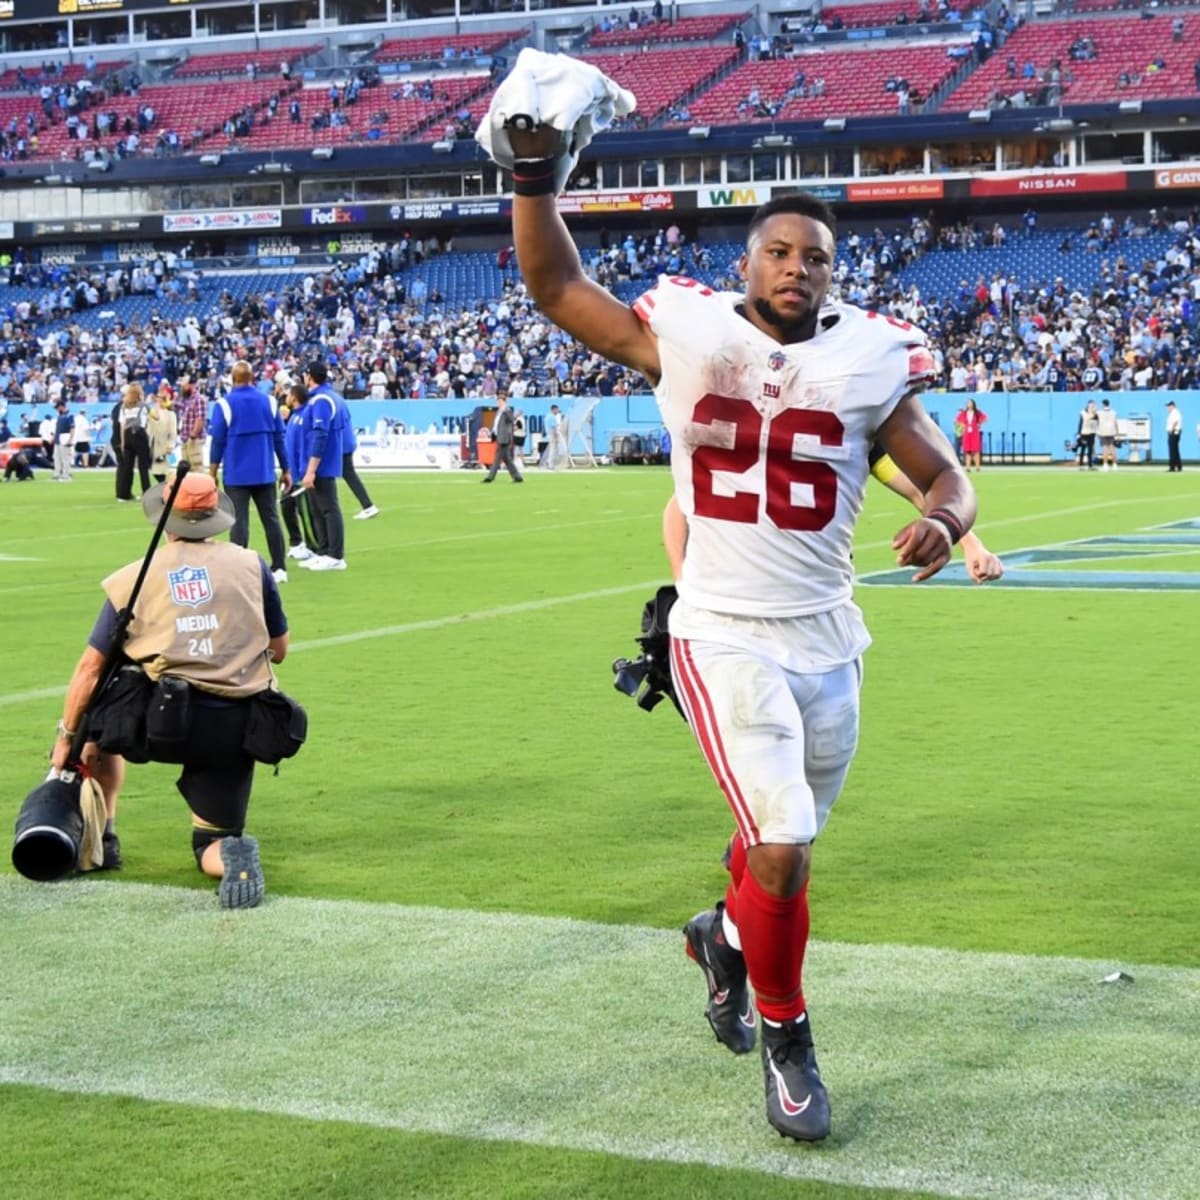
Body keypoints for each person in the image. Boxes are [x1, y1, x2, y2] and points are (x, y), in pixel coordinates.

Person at [496, 97, 975, 1143]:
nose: (798, 266)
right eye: (779, 251)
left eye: (816, 256)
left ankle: (720, 936)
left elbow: (946, 471)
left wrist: (946, 517)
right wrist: (536, 182)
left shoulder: (868, 358)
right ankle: (789, 1034)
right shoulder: (690, 332)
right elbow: (556, 286)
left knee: (776, 855)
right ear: (747, 263)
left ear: (833, 275)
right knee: (787, 843)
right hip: (719, 630)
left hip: (829, 636)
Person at [49, 472, 290, 908]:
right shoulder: (253, 565)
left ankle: (105, 833)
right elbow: (280, 649)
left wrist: (68, 737)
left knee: (100, 717)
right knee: (210, 842)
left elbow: (90, 668)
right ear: (215, 516)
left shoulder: (134, 578)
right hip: (233, 725)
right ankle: (230, 855)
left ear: (167, 519)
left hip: (157, 721)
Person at [208, 360, 292, 585]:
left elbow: (217, 441)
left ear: (233, 379)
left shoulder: (224, 405)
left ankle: (239, 570)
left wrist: (212, 471)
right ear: (252, 378)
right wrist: (286, 469)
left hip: (236, 475)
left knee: (238, 522)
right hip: (264, 472)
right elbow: (279, 439)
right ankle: (279, 567)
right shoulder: (270, 402)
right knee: (271, 520)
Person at [299, 360, 348, 570]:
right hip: (321, 461)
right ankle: (324, 549)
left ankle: (335, 555)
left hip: (322, 463)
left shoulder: (321, 400)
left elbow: (320, 434)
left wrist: (311, 468)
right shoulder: (325, 397)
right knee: (319, 508)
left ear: (310, 376)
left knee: (328, 507)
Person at [339, 401, 380, 521]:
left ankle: (368, 505)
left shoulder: (323, 401)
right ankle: (367, 505)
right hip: (346, 443)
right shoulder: (338, 401)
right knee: (349, 475)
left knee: (326, 477)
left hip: (340, 445)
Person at [114, 383, 152, 500]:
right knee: (143, 466)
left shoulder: (124, 406)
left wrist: (123, 442)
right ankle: (146, 492)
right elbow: (155, 417)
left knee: (127, 466)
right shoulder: (143, 405)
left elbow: (122, 425)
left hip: (127, 435)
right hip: (139, 433)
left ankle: (124, 494)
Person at [481, 392, 523, 483]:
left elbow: (511, 419)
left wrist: (505, 411)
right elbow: (496, 424)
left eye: (500, 401)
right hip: (499, 437)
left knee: (497, 458)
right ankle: (517, 477)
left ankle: (490, 477)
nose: (498, 403)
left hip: (504, 438)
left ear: (504, 401)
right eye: (498, 401)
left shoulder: (506, 410)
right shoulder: (499, 411)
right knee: (507, 459)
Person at [147, 386, 179, 484]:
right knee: (155, 469)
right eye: (158, 397)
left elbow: (173, 432)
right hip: (153, 443)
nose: (158, 399)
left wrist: (170, 445)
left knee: (162, 469)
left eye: (160, 397)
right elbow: (149, 426)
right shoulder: (153, 411)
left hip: (164, 445)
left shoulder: (170, 413)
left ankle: (167, 486)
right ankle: (164, 485)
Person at [176, 376, 208, 471]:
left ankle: (200, 486)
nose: (182, 388)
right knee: (185, 470)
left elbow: (200, 419)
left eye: (184, 386)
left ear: (191, 385)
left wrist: (193, 434)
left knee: (196, 468)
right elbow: (175, 404)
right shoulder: (187, 400)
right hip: (186, 439)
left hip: (194, 440)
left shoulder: (199, 399)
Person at [955, 398, 986, 472]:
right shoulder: (964, 413)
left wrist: (979, 423)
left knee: (976, 450)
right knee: (967, 450)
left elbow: (984, 418)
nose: (969, 404)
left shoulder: (977, 412)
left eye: (970, 403)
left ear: (973, 404)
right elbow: (957, 420)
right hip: (966, 433)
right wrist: (963, 426)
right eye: (968, 403)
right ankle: (968, 467)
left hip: (975, 432)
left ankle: (978, 467)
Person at [52, 398, 73, 482]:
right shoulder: (60, 416)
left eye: (57, 408)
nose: (57, 410)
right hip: (58, 439)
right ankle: (57, 473)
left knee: (65, 458)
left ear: (61, 407)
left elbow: (72, 428)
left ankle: (66, 474)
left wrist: (70, 439)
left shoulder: (69, 415)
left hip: (64, 439)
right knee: (56, 457)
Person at [1096, 398, 1119, 472]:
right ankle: (1115, 465)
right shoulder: (1114, 412)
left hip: (1103, 432)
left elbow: (1097, 423)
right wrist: (1117, 433)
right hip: (1111, 432)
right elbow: (1116, 423)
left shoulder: (1099, 412)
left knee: (1104, 449)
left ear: (1103, 404)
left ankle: (1105, 465)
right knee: (1113, 449)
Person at [544, 402, 568, 470]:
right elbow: (554, 428)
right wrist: (556, 437)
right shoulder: (552, 417)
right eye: (557, 410)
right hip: (552, 434)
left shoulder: (547, 416)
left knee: (553, 449)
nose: (557, 411)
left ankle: (549, 462)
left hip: (549, 434)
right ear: (553, 409)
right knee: (553, 450)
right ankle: (550, 464)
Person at [1076, 399, 1098, 470]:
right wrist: (1079, 433)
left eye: (1093, 405)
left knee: (1090, 449)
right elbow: (1080, 423)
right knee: (1083, 449)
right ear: (1088, 405)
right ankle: (1081, 464)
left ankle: (1090, 465)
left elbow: (1096, 423)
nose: (1092, 406)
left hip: (1091, 433)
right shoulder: (1082, 412)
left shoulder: (1095, 413)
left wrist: (1094, 413)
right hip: (1084, 433)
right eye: (1091, 404)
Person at [1165, 399, 1183, 472]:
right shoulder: (1173, 413)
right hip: (1174, 432)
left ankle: (1172, 467)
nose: (1167, 408)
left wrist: (1171, 430)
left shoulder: (1175, 412)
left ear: (1173, 406)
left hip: (1174, 433)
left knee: (1172, 450)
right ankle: (1178, 466)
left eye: (1169, 406)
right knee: (1175, 450)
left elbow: (1175, 422)